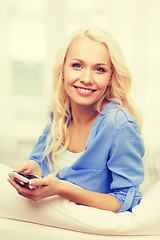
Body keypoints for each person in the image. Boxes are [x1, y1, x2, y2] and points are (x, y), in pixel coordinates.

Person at [8, 26, 145, 213]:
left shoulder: (119, 125)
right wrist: (32, 168)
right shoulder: (58, 113)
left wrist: (63, 189)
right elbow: (38, 161)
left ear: (111, 77)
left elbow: (124, 200)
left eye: (99, 69)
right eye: (77, 66)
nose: (86, 78)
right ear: (63, 70)